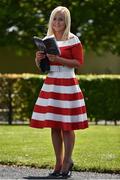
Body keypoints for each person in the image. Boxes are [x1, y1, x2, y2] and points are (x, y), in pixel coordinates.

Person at [30, 6, 88, 178]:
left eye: (61, 19)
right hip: (51, 84)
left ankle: (68, 161)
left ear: (66, 21)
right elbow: (44, 68)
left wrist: (59, 59)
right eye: (55, 18)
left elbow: (78, 63)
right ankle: (58, 162)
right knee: (54, 126)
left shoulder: (73, 39)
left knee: (67, 127)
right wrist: (38, 60)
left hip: (68, 84)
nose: (57, 22)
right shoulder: (47, 39)